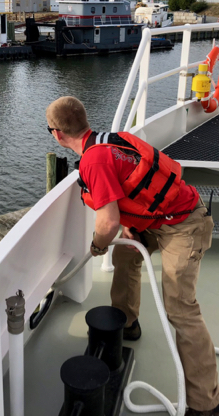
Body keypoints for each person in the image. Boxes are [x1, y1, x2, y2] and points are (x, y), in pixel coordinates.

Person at [46, 96, 219, 416]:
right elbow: (130, 191)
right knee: (127, 255)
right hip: (159, 219)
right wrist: (129, 226)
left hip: (185, 225)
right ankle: (127, 322)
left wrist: (98, 245)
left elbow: (107, 221)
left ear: (57, 134)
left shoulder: (92, 162)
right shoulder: (111, 141)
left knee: (180, 309)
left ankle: (206, 403)